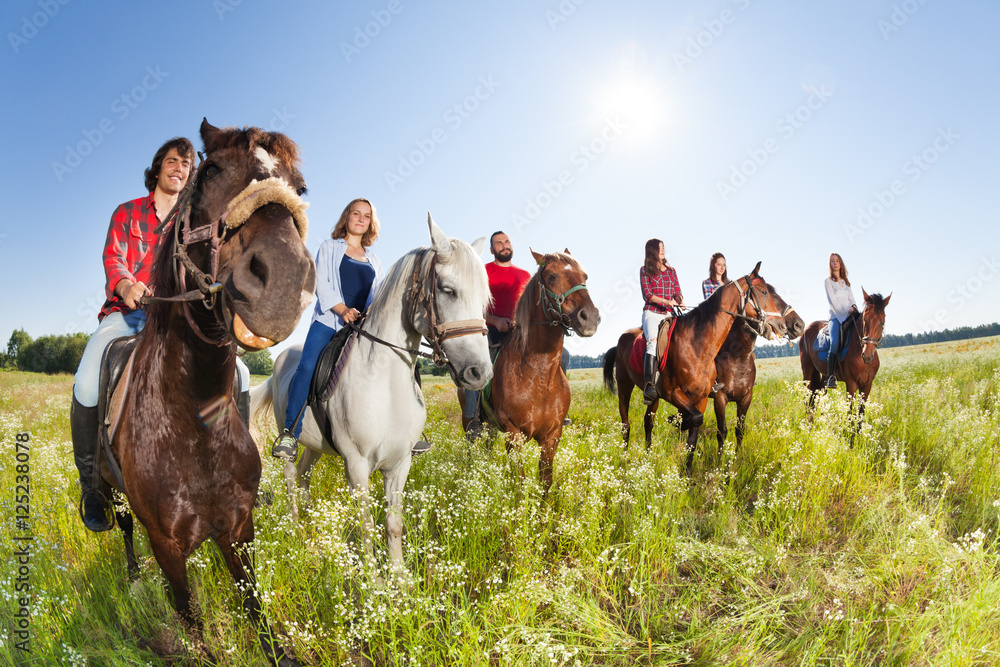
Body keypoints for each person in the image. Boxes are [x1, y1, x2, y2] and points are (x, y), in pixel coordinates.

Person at [71, 137, 195, 532]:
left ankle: (230, 478)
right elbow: (113, 258)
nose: (179, 169)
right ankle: (92, 489)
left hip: (174, 322)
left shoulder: (193, 224)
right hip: (125, 317)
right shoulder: (127, 212)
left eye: (187, 166)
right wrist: (126, 287)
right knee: (87, 383)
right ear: (158, 168)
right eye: (173, 161)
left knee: (240, 376)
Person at [272, 198, 385, 460]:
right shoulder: (330, 247)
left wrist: (366, 315)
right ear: (346, 217)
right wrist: (343, 310)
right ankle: (290, 432)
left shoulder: (375, 260)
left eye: (366, 216)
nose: (360, 218)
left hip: (362, 326)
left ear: (370, 223)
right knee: (308, 366)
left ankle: (408, 433)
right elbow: (321, 282)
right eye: (355, 213)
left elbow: (377, 294)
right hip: (330, 321)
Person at [464, 231, 531, 437]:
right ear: (492, 250)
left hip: (519, 334)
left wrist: (520, 323)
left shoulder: (525, 275)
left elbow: (529, 309)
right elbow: (472, 306)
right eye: (499, 243)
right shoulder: (482, 272)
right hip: (489, 332)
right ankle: (473, 419)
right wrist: (496, 321)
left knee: (559, 355)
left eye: (507, 242)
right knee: (475, 368)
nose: (504, 246)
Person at [639, 238, 684, 405]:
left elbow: (677, 291)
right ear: (652, 251)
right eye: (659, 248)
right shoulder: (645, 270)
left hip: (670, 314)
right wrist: (666, 302)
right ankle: (649, 385)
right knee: (652, 342)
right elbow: (648, 295)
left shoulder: (671, 271)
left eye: (663, 247)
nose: (663, 250)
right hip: (652, 313)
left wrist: (680, 300)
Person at [824, 252, 858, 388]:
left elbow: (852, 299)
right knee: (835, 343)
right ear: (830, 264)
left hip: (849, 316)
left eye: (837, 261)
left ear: (840, 263)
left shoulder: (846, 282)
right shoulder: (828, 282)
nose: (835, 263)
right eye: (832, 261)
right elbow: (833, 302)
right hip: (836, 317)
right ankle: (830, 377)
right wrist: (847, 309)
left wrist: (854, 308)